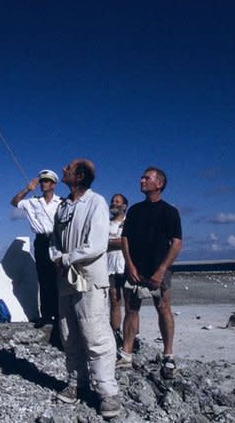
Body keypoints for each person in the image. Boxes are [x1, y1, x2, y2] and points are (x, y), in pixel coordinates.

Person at [50, 158, 120, 419]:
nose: (63, 170)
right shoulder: (64, 206)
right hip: (66, 280)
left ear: (79, 176)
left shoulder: (96, 203)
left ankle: (108, 393)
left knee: (95, 334)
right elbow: (54, 239)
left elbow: (96, 244)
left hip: (89, 279)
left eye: (67, 168)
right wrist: (55, 256)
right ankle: (76, 383)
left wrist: (66, 258)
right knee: (68, 334)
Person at [117, 167, 182, 379]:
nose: (142, 180)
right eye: (142, 176)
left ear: (159, 183)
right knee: (131, 309)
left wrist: (162, 269)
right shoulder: (134, 211)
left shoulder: (169, 211)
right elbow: (125, 239)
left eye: (147, 177)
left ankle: (168, 355)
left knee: (163, 308)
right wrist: (130, 266)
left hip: (159, 270)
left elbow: (176, 243)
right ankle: (126, 354)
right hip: (136, 270)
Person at [11, 169, 61, 328]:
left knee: (58, 278)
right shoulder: (33, 201)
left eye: (46, 181)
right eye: (41, 181)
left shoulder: (61, 202)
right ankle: (46, 315)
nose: (42, 184)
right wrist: (27, 189)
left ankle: (59, 314)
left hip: (57, 241)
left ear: (53, 184)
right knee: (44, 278)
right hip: (41, 241)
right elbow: (14, 202)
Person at [107, 193, 128, 348]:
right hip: (110, 267)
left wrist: (112, 241)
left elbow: (131, 242)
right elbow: (100, 242)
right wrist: (119, 241)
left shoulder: (130, 223)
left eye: (117, 201)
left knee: (130, 303)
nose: (114, 203)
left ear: (124, 206)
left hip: (127, 266)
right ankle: (115, 332)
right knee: (114, 301)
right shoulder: (106, 224)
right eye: (113, 201)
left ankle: (131, 336)